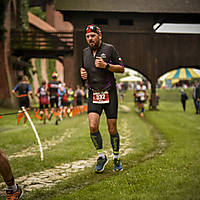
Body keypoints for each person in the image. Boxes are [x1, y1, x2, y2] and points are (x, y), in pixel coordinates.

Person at [80, 24, 124, 173]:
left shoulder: (109, 49)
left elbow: (121, 68)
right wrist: (83, 75)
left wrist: (106, 66)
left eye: (92, 36)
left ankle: (116, 157)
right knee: (93, 127)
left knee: (112, 129)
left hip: (109, 93)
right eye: (87, 36)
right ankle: (101, 156)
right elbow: (84, 70)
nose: (90, 39)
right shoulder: (85, 52)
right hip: (93, 93)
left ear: (99, 36)